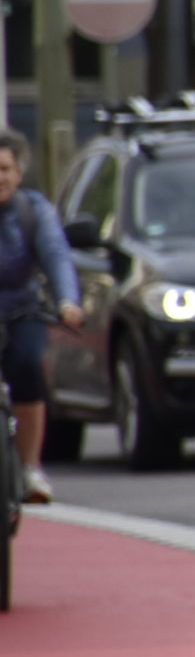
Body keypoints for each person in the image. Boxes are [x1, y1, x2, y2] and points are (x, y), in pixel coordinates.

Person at [0, 130, 86, 502]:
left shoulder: (34, 211)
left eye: (4, 169)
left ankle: (32, 467)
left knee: (29, 366)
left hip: (23, 310)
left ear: (19, 173)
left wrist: (68, 300)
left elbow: (57, 257)